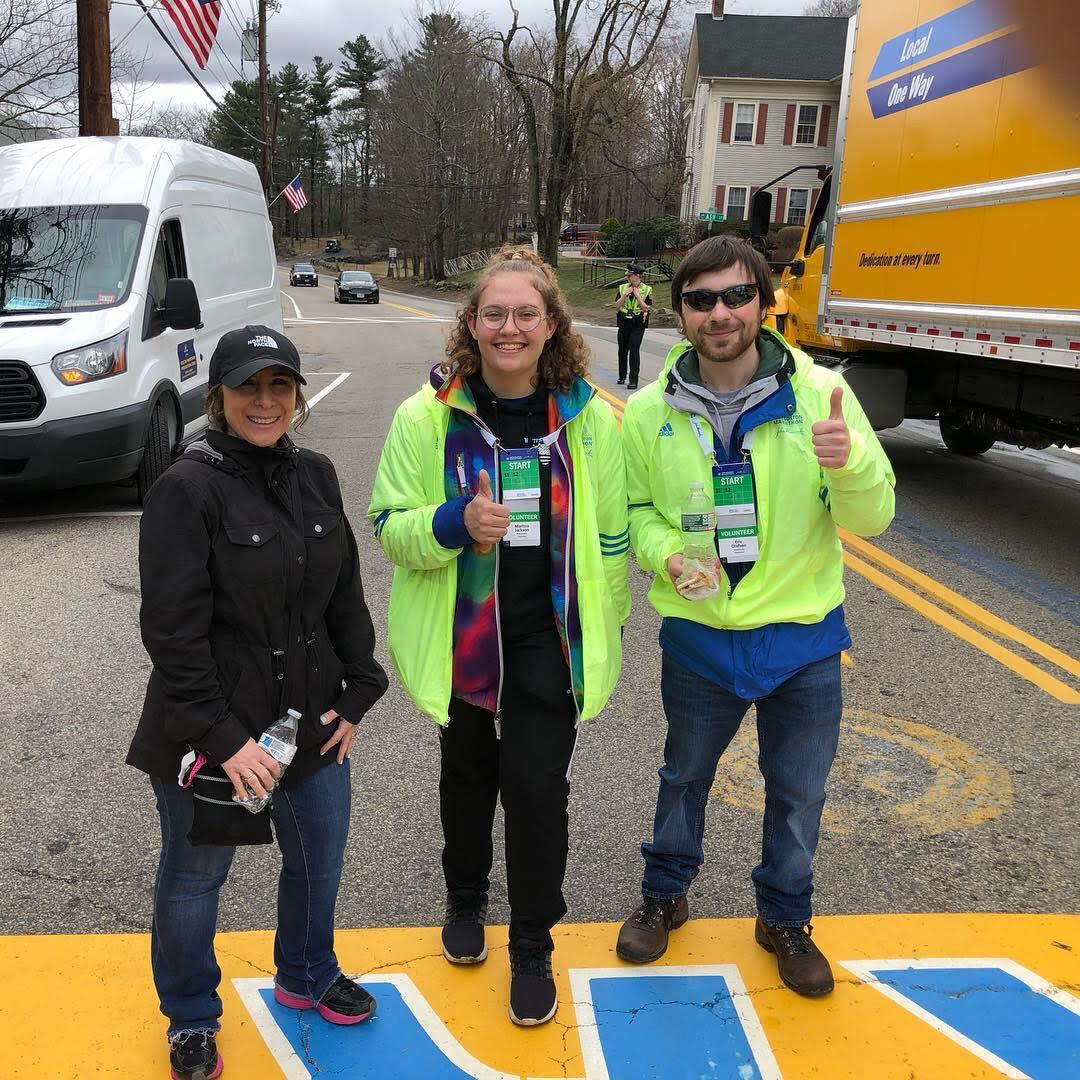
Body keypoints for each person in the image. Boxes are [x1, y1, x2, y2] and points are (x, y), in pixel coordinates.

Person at [615, 236, 895, 996]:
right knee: (684, 775)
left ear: (765, 303)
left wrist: (852, 463)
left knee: (798, 790)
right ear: (681, 312)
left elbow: (873, 519)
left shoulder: (821, 396)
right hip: (701, 634)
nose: (720, 313)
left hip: (801, 637)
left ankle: (784, 916)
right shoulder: (647, 412)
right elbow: (636, 510)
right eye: (701, 300)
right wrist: (665, 553)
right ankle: (665, 893)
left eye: (737, 295)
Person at [368, 247, 631, 1027]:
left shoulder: (588, 421)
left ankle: (531, 944)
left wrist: (604, 627)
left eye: (526, 313)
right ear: (471, 325)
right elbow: (388, 527)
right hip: (465, 639)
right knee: (468, 776)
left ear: (551, 325)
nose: (509, 327)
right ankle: (464, 897)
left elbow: (612, 537)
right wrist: (452, 523)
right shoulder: (427, 417)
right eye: (494, 313)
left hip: (549, 640)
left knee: (538, 791)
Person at [127, 326, 388, 1080]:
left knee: (317, 861)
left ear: (298, 395)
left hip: (307, 719)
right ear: (219, 396)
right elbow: (171, 632)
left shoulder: (318, 473)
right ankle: (190, 1017)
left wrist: (361, 688)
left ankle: (306, 974)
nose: (265, 401)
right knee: (194, 880)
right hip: (213, 731)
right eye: (249, 387)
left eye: (280, 386)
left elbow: (343, 595)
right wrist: (220, 737)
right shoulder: (188, 486)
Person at [610, 264, 653, 390]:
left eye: (630, 275)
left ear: (638, 276)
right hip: (624, 322)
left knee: (634, 350)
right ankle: (622, 376)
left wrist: (637, 295)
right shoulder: (623, 288)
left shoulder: (647, 289)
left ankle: (633, 380)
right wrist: (624, 295)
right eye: (627, 276)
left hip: (638, 323)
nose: (628, 278)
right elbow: (616, 306)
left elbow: (646, 307)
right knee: (622, 350)